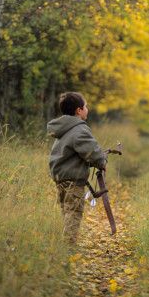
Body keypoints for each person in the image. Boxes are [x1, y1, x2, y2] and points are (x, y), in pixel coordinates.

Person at [47, 92, 107, 245]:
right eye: (85, 106)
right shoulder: (79, 129)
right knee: (73, 214)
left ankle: (66, 246)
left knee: (67, 212)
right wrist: (102, 160)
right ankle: (69, 248)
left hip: (61, 180)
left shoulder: (64, 128)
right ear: (79, 110)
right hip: (73, 182)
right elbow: (92, 152)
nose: (87, 109)